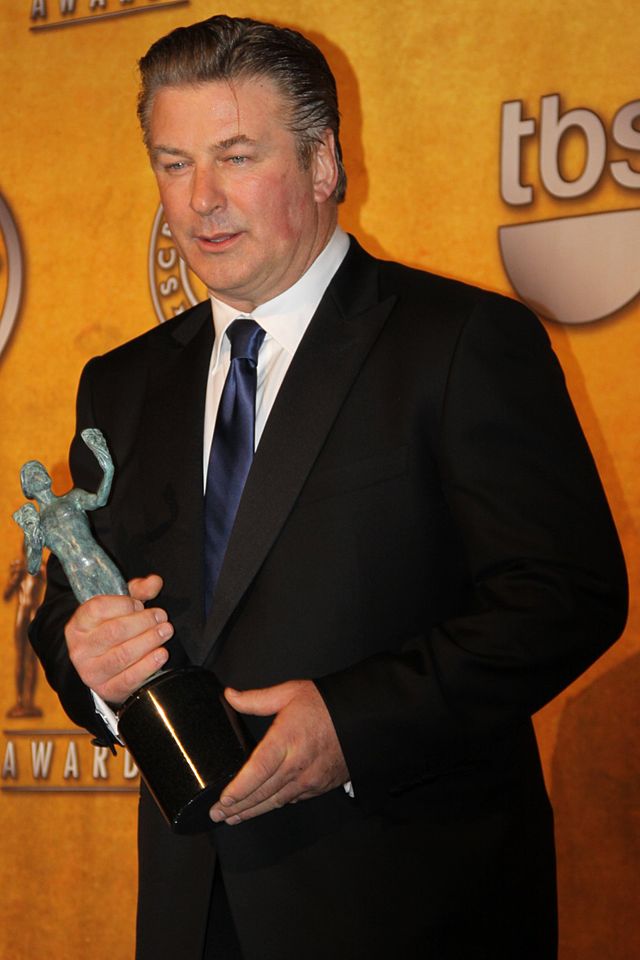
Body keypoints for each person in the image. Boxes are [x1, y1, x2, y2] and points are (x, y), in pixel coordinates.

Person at [29, 14, 627, 960]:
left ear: (323, 164)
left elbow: (566, 595)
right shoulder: (122, 382)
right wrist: (87, 661)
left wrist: (354, 723)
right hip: (190, 913)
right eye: (175, 163)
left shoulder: (460, 342)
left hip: (410, 905)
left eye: (236, 156)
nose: (201, 200)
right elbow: (70, 602)